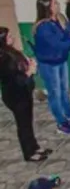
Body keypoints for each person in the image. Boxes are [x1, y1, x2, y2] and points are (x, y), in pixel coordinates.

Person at [32, 0, 70, 134]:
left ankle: (69, 117)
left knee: (64, 90)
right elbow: (60, 45)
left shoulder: (60, 19)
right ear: (47, 7)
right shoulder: (43, 27)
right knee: (55, 94)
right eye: (55, 3)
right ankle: (61, 123)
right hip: (49, 65)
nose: (58, 4)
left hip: (61, 61)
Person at [0, 27, 48, 161]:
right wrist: (30, 71)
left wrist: (29, 64)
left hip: (24, 93)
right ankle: (29, 153)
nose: (12, 38)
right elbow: (17, 80)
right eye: (9, 37)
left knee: (28, 122)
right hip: (15, 96)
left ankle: (35, 147)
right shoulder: (3, 58)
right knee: (23, 125)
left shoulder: (12, 52)